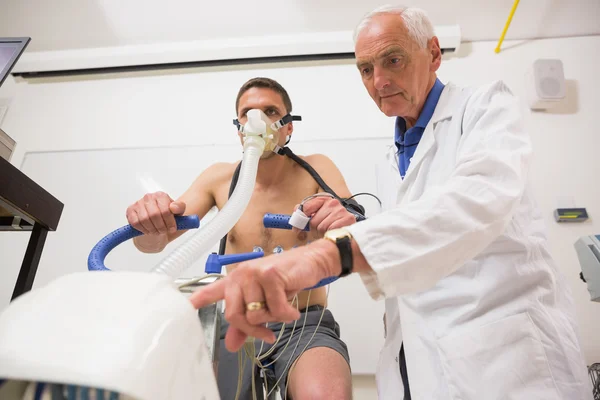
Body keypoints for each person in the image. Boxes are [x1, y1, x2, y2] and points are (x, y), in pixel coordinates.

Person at [189, 5, 593, 400]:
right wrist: (355, 223)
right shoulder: (391, 158)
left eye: (393, 60)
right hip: (417, 355)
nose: (379, 81)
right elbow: (407, 232)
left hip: (503, 358)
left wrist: (325, 255)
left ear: (434, 54)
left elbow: (476, 199)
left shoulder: (485, 109)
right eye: (366, 69)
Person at [126, 77, 356, 399]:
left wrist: (338, 220)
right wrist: (148, 221)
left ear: (288, 127)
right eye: (247, 113)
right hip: (235, 322)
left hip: (303, 323)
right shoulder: (220, 178)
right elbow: (156, 241)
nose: (257, 121)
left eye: (270, 111)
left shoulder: (316, 168)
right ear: (239, 129)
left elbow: (353, 223)